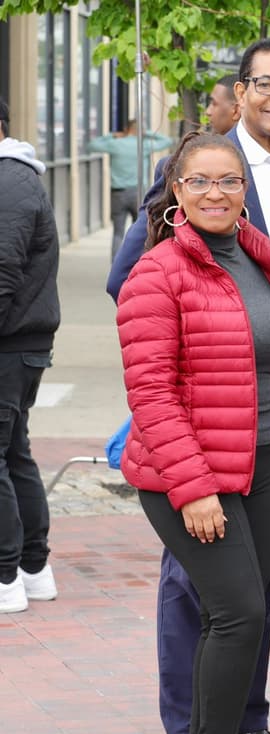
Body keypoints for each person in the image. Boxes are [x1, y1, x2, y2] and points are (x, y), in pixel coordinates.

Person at [106, 37, 270, 734]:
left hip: (267, 433)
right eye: (266, 83)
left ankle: (242, 727)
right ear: (241, 91)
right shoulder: (186, 207)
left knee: (255, 595)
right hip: (197, 444)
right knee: (207, 598)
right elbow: (135, 308)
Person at [0, 96, 61, 615]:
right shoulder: (14, 178)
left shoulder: (9, 181)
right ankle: (32, 569)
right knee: (13, 452)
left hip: (11, 343)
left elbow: (2, 269)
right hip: (19, 342)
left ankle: (6, 577)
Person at [87, 119, 172, 257]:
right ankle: (136, 262)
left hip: (118, 194)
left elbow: (92, 145)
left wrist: (113, 135)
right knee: (140, 232)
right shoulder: (143, 145)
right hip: (138, 193)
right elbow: (167, 141)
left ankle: (115, 264)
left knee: (118, 232)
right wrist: (147, 133)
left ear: (127, 129)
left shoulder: (115, 144)